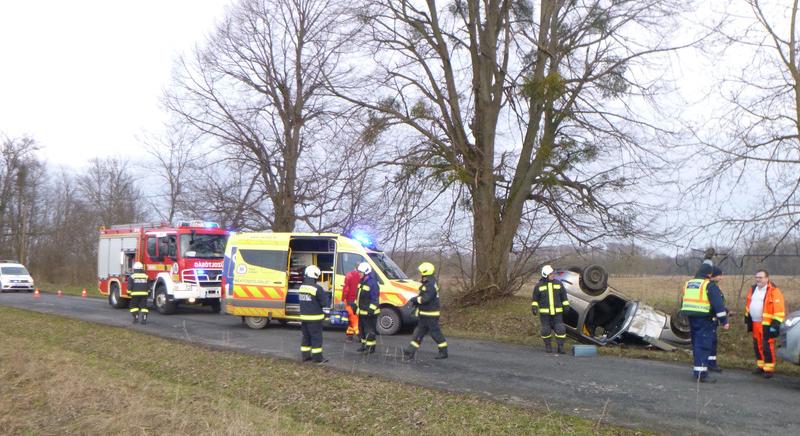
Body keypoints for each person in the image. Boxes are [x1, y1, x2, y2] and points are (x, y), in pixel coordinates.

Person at [679, 264, 729, 383]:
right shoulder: (709, 285)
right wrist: (724, 321)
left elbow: (684, 300)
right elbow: (718, 305)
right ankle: (701, 374)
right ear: (709, 274)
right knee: (703, 345)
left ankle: (699, 370)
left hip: (691, 317)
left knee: (697, 344)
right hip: (705, 319)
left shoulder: (689, 283)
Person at [745, 269, 785, 378]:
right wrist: (746, 318)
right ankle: (761, 366)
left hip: (767, 324)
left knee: (767, 346)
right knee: (757, 346)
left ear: (767, 278)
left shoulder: (774, 291)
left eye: (761, 277)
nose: (758, 279)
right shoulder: (753, 289)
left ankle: (769, 369)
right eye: (757, 277)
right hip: (755, 323)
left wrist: (775, 324)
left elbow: (779, 310)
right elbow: (749, 304)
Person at [403, 262, 448, 360]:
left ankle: (443, 351)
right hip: (424, 314)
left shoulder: (430, 285)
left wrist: (415, 300)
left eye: (421, 273)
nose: (420, 274)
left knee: (435, 333)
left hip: (431, 315)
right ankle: (410, 352)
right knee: (418, 333)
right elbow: (423, 296)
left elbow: (425, 299)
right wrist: (416, 299)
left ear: (425, 272)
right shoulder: (428, 283)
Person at [531, 265, 569, 354]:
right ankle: (548, 346)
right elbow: (535, 299)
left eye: (553, 273)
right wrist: (534, 307)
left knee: (560, 329)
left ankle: (560, 347)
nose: (553, 275)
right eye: (550, 274)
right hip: (545, 314)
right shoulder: (539, 286)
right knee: (545, 330)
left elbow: (564, 297)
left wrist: (566, 306)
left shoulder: (558, 284)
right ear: (545, 275)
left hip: (557, 313)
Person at [299, 265, 329, 363]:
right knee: (316, 338)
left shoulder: (302, 287)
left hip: (304, 317)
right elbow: (324, 303)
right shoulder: (317, 288)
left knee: (306, 337)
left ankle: (305, 356)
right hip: (315, 318)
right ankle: (317, 358)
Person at [355, 262, 380, 354]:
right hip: (362, 312)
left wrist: (371, 310)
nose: (359, 274)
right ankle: (364, 345)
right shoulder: (362, 282)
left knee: (369, 330)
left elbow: (375, 298)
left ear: (366, 272)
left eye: (360, 272)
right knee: (362, 330)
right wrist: (355, 305)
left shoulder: (372, 283)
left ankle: (371, 347)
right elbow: (358, 296)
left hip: (370, 313)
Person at [707, 268, 726, 373]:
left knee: (712, 342)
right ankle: (711, 364)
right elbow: (716, 304)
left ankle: (711, 363)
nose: (721, 278)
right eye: (720, 275)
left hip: (710, 318)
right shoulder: (712, 287)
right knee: (711, 342)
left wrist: (725, 310)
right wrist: (724, 320)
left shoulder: (709, 286)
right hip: (710, 319)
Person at [341, 265, 360, 341]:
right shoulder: (362, 276)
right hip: (358, 301)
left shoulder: (349, 275)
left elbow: (346, 289)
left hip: (350, 301)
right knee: (355, 318)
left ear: (354, 267)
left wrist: (343, 299)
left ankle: (358, 335)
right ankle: (350, 335)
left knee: (352, 319)